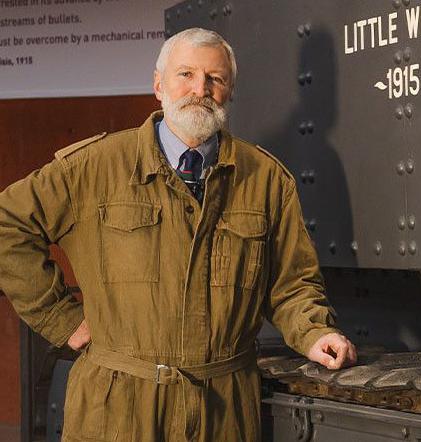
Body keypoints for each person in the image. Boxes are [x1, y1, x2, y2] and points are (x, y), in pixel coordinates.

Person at [0, 27, 356, 441]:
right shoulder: (95, 168)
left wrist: (315, 333)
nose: (199, 89)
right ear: (158, 85)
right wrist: (63, 320)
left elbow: (292, 283)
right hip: (118, 411)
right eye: (185, 74)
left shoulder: (266, 181)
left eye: (215, 79)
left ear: (230, 91)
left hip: (223, 410)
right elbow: (7, 223)